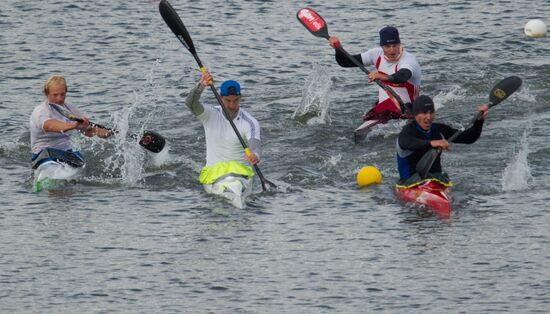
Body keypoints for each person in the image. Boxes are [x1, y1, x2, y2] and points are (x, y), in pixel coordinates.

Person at [328, 26, 421, 122]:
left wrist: (383, 76)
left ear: (399, 44)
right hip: (385, 107)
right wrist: (338, 48)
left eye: (395, 45)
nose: (392, 50)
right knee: (367, 118)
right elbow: (345, 62)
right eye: (387, 46)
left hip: (408, 109)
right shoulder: (376, 54)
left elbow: (403, 76)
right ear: (382, 46)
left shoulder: (408, 60)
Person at [185, 70, 261, 187]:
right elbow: (190, 104)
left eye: (236, 100)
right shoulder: (210, 114)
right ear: (220, 98)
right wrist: (201, 85)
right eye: (228, 101)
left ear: (240, 97)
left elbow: (255, 145)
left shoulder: (250, 122)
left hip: (240, 174)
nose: (232, 105)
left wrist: (254, 155)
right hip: (213, 173)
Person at [396, 95, 489, 183]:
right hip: (409, 182)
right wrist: (432, 143)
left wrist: (479, 121)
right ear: (415, 115)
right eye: (424, 113)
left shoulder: (438, 129)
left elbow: (469, 137)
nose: (428, 117)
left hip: (436, 181)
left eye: (431, 112)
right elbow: (406, 142)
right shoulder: (407, 131)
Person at [30, 75, 113, 167]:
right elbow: (49, 125)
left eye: (62, 94)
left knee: (79, 157)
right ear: (46, 94)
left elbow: (89, 132)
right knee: (48, 153)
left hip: (67, 153)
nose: (59, 98)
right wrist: (74, 125)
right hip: (43, 154)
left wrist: (112, 132)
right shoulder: (40, 111)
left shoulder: (71, 110)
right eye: (55, 95)